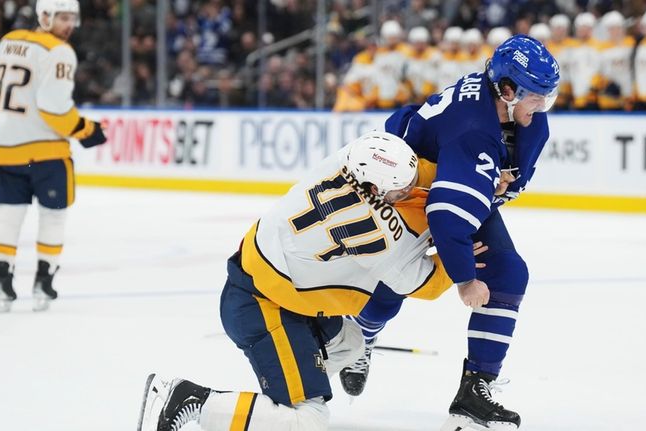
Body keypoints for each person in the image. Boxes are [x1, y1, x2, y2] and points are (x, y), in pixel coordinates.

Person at [137, 131, 482, 431]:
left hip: (274, 278)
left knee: (349, 344)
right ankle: (186, 398)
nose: (410, 189)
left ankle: (290, 391)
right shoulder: (379, 238)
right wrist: (460, 251)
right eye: (401, 189)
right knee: (309, 421)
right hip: (261, 303)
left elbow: (411, 172)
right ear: (376, 187)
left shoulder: (347, 157)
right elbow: (428, 284)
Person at [340, 34, 560, 431]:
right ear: (508, 91)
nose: (542, 106)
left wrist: (491, 181)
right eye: (536, 97)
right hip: (406, 194)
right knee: (399, 279)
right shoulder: (474, 129)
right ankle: (360, 338)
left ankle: (475, 389)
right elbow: (445, 214)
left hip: (446, 180)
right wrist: (465, 281)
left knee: (508, 272)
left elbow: (496, 182)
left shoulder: (510, 111)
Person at [0, 0, 106, 313]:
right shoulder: (59, 52)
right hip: (45, 154)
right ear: (44, 17)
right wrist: (86, 130)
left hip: (6, 150)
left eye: (72, 18)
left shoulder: (8, 42)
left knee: (8, 214)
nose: (69, 24)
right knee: (53, 215)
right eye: (62, 17)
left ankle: (1, 279)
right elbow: (54, 109)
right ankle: (44, 280)